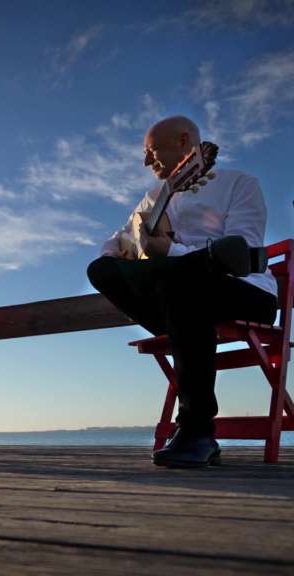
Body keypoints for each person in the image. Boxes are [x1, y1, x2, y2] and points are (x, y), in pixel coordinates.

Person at [86, 116, 277, 468]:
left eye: (152, 150)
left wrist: (171, 252)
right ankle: (185, 298)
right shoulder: (153, 198)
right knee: (100, 270)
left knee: (179, 283)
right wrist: (121, 252)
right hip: (179, 300)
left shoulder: (239, 183)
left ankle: (196, 431)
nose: (146, 160)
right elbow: (118, 240)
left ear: (184, 142)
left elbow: (244, 255)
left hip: (244, 290)